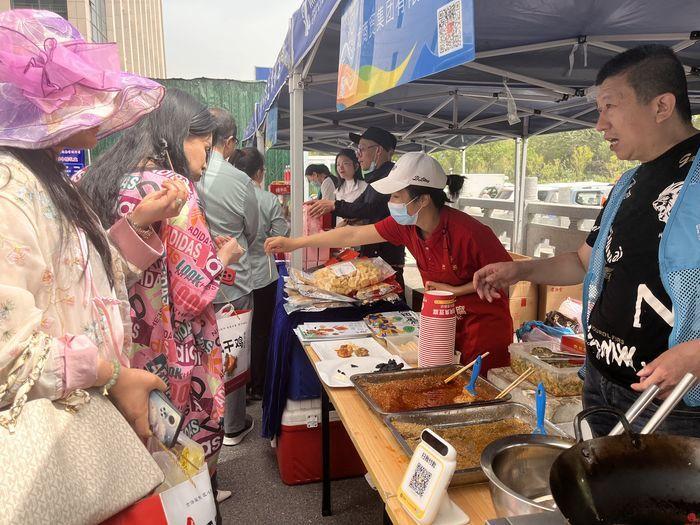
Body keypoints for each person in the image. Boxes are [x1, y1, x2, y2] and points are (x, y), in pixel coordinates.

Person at [473, 45, 700, 437]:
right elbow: (583, 261)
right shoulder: (629, 182)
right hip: (601, 383)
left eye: (610, 106)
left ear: (661, 106)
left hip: (669, 403)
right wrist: (520, 270)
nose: (599, 124)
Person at [0, 9, 170, 448]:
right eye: (85, 89)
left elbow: (87, 278)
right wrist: (111, 375)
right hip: (54, 438)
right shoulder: (8, 189)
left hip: (86, 419)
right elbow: (9, 355)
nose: (103, 101)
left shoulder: (49, 181)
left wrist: (137, 223)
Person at [80, 88, 244, 498]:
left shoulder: (101, 179)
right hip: (174, 356)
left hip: (123, 349)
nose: (206, 160)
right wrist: (222, 256)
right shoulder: (173, 188)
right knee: (181, 465)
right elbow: (190, 297)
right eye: (204, 147)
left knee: (142, 464)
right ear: (176, 136)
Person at [267, 152, 514, 373]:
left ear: (423, 200)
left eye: (396, 196)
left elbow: (506, 277)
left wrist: (456, 290)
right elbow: (352, 234)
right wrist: (295, 243)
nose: (391, 203)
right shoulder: (406, 226)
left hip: (483, 329)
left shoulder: (470, 232)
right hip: (443, 324)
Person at [196, 108, 259, 447]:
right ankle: (233, 424)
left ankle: (206, 418)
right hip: (233, 280)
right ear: (230, 142)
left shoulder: (187, 176)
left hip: (194, 279)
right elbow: (253, 229)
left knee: (203, 349)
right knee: (235, 348)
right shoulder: (239, 180)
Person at [308, 126, 407, 286]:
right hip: (375, 257)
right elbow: (359, 205)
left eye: (361, 149)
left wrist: (334, 205)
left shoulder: (389, 177)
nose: (358, 155)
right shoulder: (375, 178)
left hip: (387, 261)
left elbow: (370, 208)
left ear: (378, 151)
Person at [231, 147, 290, 400]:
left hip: (232, 274)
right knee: (261, 331)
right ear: (258, 172)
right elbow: (280, 234)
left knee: (236, 331)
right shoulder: (266, 199)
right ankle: (259, 384)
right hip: (263, 274)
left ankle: (236, 385)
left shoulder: (226, 195)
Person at [333, 148, 367, 227]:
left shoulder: (365, 186)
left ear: (356, 166)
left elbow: (365, 214)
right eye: (338, 164)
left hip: (357, 234)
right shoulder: (338, 189)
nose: (340, 167)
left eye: (345, 163)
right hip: (340, 233)